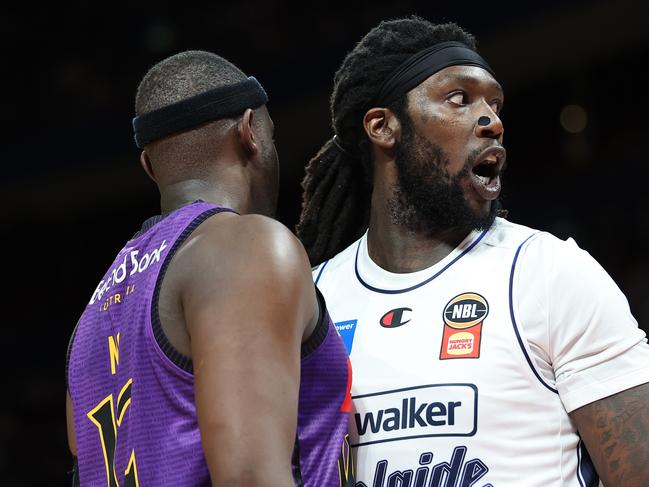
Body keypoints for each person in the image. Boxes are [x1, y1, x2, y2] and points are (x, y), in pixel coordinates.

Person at [297, 16, 649, 487]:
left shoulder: (548, 273)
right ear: (383, 126)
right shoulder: (313, 298)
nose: (493, 121)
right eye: (459, 99)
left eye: (496, 104)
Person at [65, 50, 354, 487]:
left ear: (149, 165)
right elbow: (250, 477)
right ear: (250, 132)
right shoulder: (248, 246)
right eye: (271, 135)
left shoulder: (92, 314)